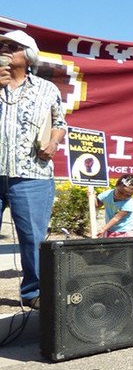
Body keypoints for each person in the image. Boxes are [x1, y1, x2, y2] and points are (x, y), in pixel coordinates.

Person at [0, 30, 67, 310]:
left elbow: (60, 124)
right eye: (2, 45)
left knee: (33, 238)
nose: (4, 49)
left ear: (28, 55)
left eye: (11, 46)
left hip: (32, 176)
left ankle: (33, 292)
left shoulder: (46, 89)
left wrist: (53, 143)